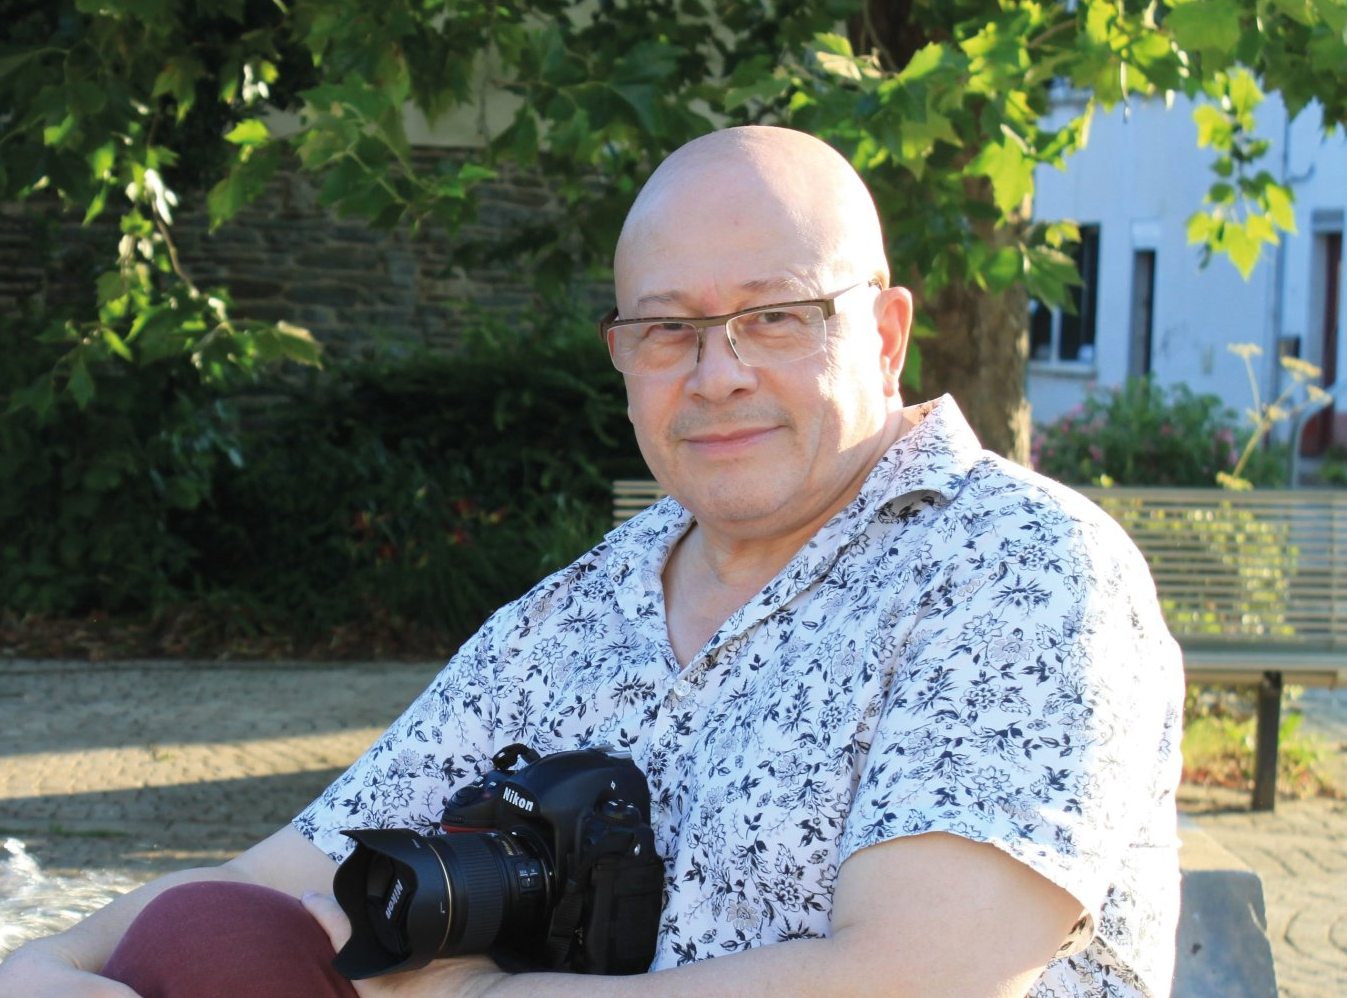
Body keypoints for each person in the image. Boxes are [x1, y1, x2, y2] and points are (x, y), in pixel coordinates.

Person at [0, 125, 1183, 998]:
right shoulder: (580, 607)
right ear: (624, 355)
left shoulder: (1017, 567)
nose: (716, 374)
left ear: (882, 333)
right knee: (205, 941)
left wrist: (481, 994)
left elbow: (916, 975)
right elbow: (292, 870)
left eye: (773, 316)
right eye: (668, 328)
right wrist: (53, 960)